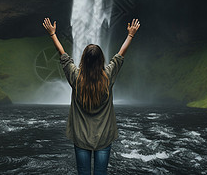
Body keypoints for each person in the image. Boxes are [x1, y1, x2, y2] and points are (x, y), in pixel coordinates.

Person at [42, 17, 141, 175]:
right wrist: (130, 35)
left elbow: (63, 56)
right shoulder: (108, 77)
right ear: (101, 60)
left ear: (83, 60)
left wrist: (52, 34)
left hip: (81, 137)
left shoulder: (75, 77)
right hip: (103, 137)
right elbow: (120, 55)